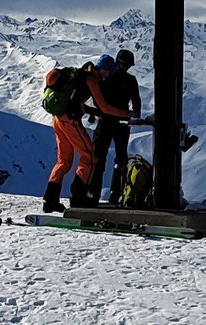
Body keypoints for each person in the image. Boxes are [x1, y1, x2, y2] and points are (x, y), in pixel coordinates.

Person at [43, 61, 132, 212]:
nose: (107, 76)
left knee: (63, 161)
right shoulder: (90, 79)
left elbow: (81, 104)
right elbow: (104, 106)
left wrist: (93, 112)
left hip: (58, 119)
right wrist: (127, 114)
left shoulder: (77, 74)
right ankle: (78, 197)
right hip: (70, 121)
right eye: (107, 72)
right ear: (102, 69)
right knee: (89, 157)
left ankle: (50, 200)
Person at [90, 50, 142, 203]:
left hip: (106, 121)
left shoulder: (107, 77)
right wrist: (134, 114)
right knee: (119, 159)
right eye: (125, 65)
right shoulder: (130, 80)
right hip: (122, 122)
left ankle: (94, 193)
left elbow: (96, 97)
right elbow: (136, 102)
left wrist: (97, 111)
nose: (126, 67)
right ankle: (115, 194)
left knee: (100, 157)